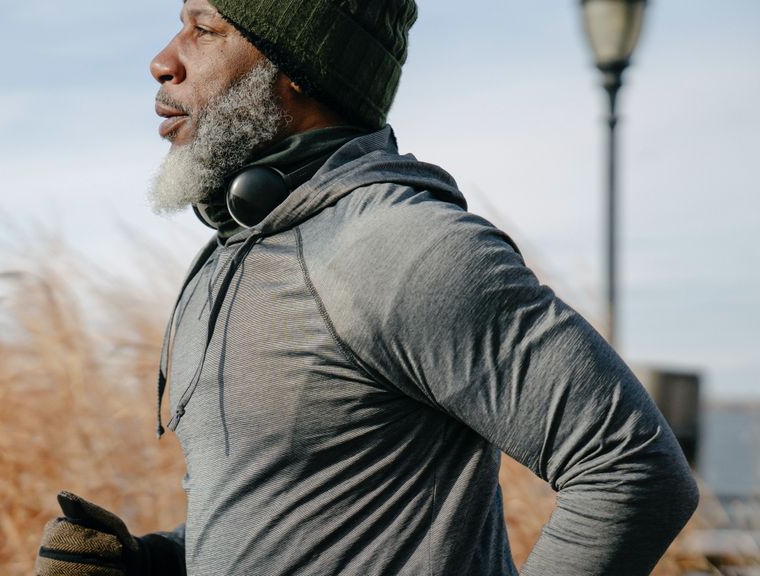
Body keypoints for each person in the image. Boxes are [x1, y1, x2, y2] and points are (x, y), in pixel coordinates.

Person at [35, 0, 700, 574]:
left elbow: (634, 470)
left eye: (203, 29)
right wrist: (150, 563)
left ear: (297, 67)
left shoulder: (405, 247)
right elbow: (294, 520)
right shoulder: (237, 256)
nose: (163, 61)